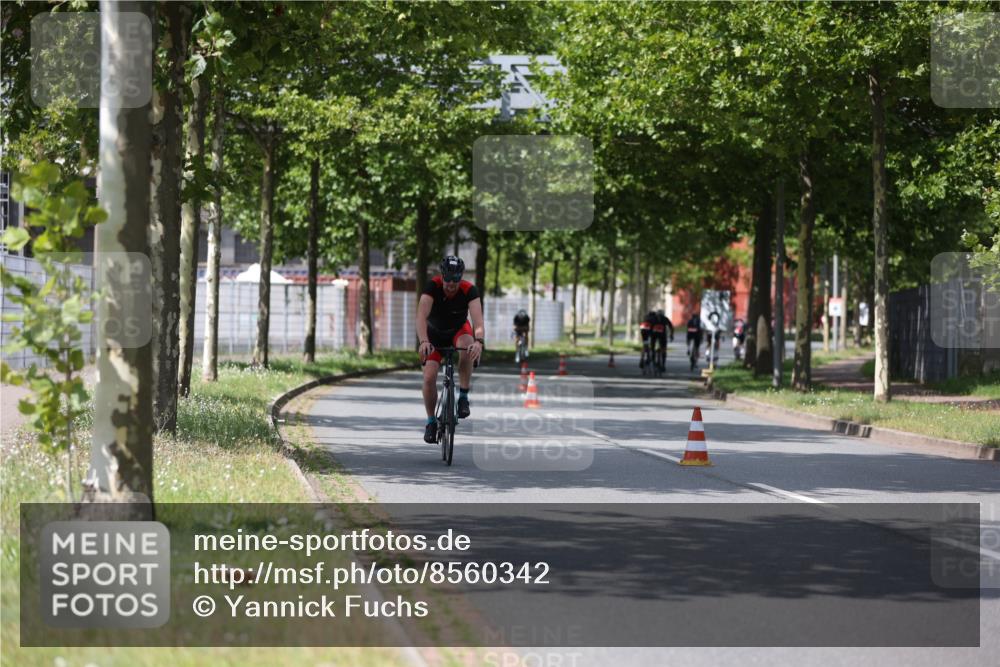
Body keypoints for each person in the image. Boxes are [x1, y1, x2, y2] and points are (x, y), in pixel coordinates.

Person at [416, 256, 485, 444]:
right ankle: (431, 421)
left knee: (468, 345)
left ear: (461, 277)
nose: (451, 284)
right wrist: (423, 341)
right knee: (429, 376)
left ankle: (463, 396)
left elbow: (478, 322)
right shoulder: (432, 287)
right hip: (434, 334)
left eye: (456, 279)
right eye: (448, 279)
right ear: (442, 276)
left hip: (458, 330)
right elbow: (421, 317)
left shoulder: (469, 290)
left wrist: (479, 342)